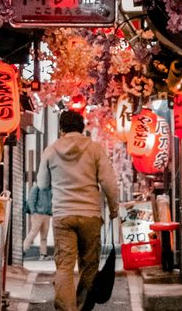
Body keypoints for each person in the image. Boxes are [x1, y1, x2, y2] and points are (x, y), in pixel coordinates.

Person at [37, 110, 120, 311]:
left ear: (61, 129)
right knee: (89, 264)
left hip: (63, 215)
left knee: (64, 266)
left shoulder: (51, 150)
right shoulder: (95, 149)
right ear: (82, 127)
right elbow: (109, 182)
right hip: (90, 215)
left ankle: (67, 309)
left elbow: (42, 184)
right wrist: (114, 209)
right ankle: (83, 306)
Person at [23, 184, 53, 258]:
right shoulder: (36, 187)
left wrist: (50, 212)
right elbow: (31, 200)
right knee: (33, 233)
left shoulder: (50, 188)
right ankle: (23, 249)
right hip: (37, 214)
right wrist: (33, 212)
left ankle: (43, 254)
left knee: (44, 236)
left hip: (47, 215)